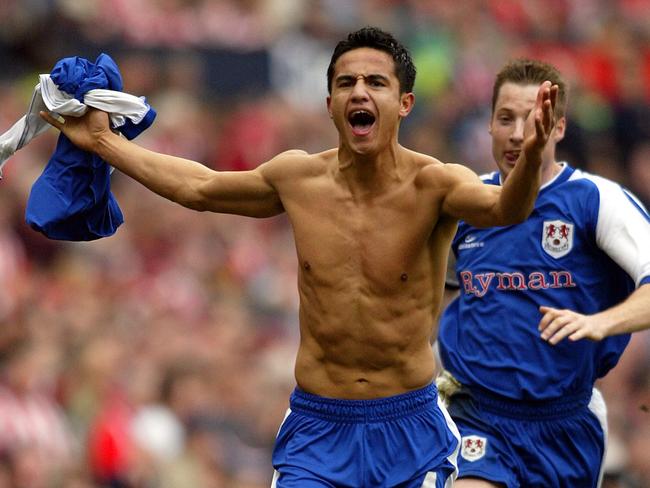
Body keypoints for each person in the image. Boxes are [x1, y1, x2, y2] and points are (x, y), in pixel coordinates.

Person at [40, 28, 557, 488]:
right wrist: (105, 143)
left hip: (409, 428)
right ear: (329, 101)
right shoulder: (298, 179)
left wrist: (532, 158)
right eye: (346, 82)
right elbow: (199, 187)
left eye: (376, 82)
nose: (360, 91)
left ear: (404, 103)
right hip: (318, 428)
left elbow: (505, 209)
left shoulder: (437, 183)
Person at [436, 58, 650, 488]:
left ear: (559, 128)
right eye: (505, 118)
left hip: (565, 425)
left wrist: (598, 322)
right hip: (478, 417)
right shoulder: (465, 203)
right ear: (490, 127)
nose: (518, 134)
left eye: (534, 120)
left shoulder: (595, 201)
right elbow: (429, 295)